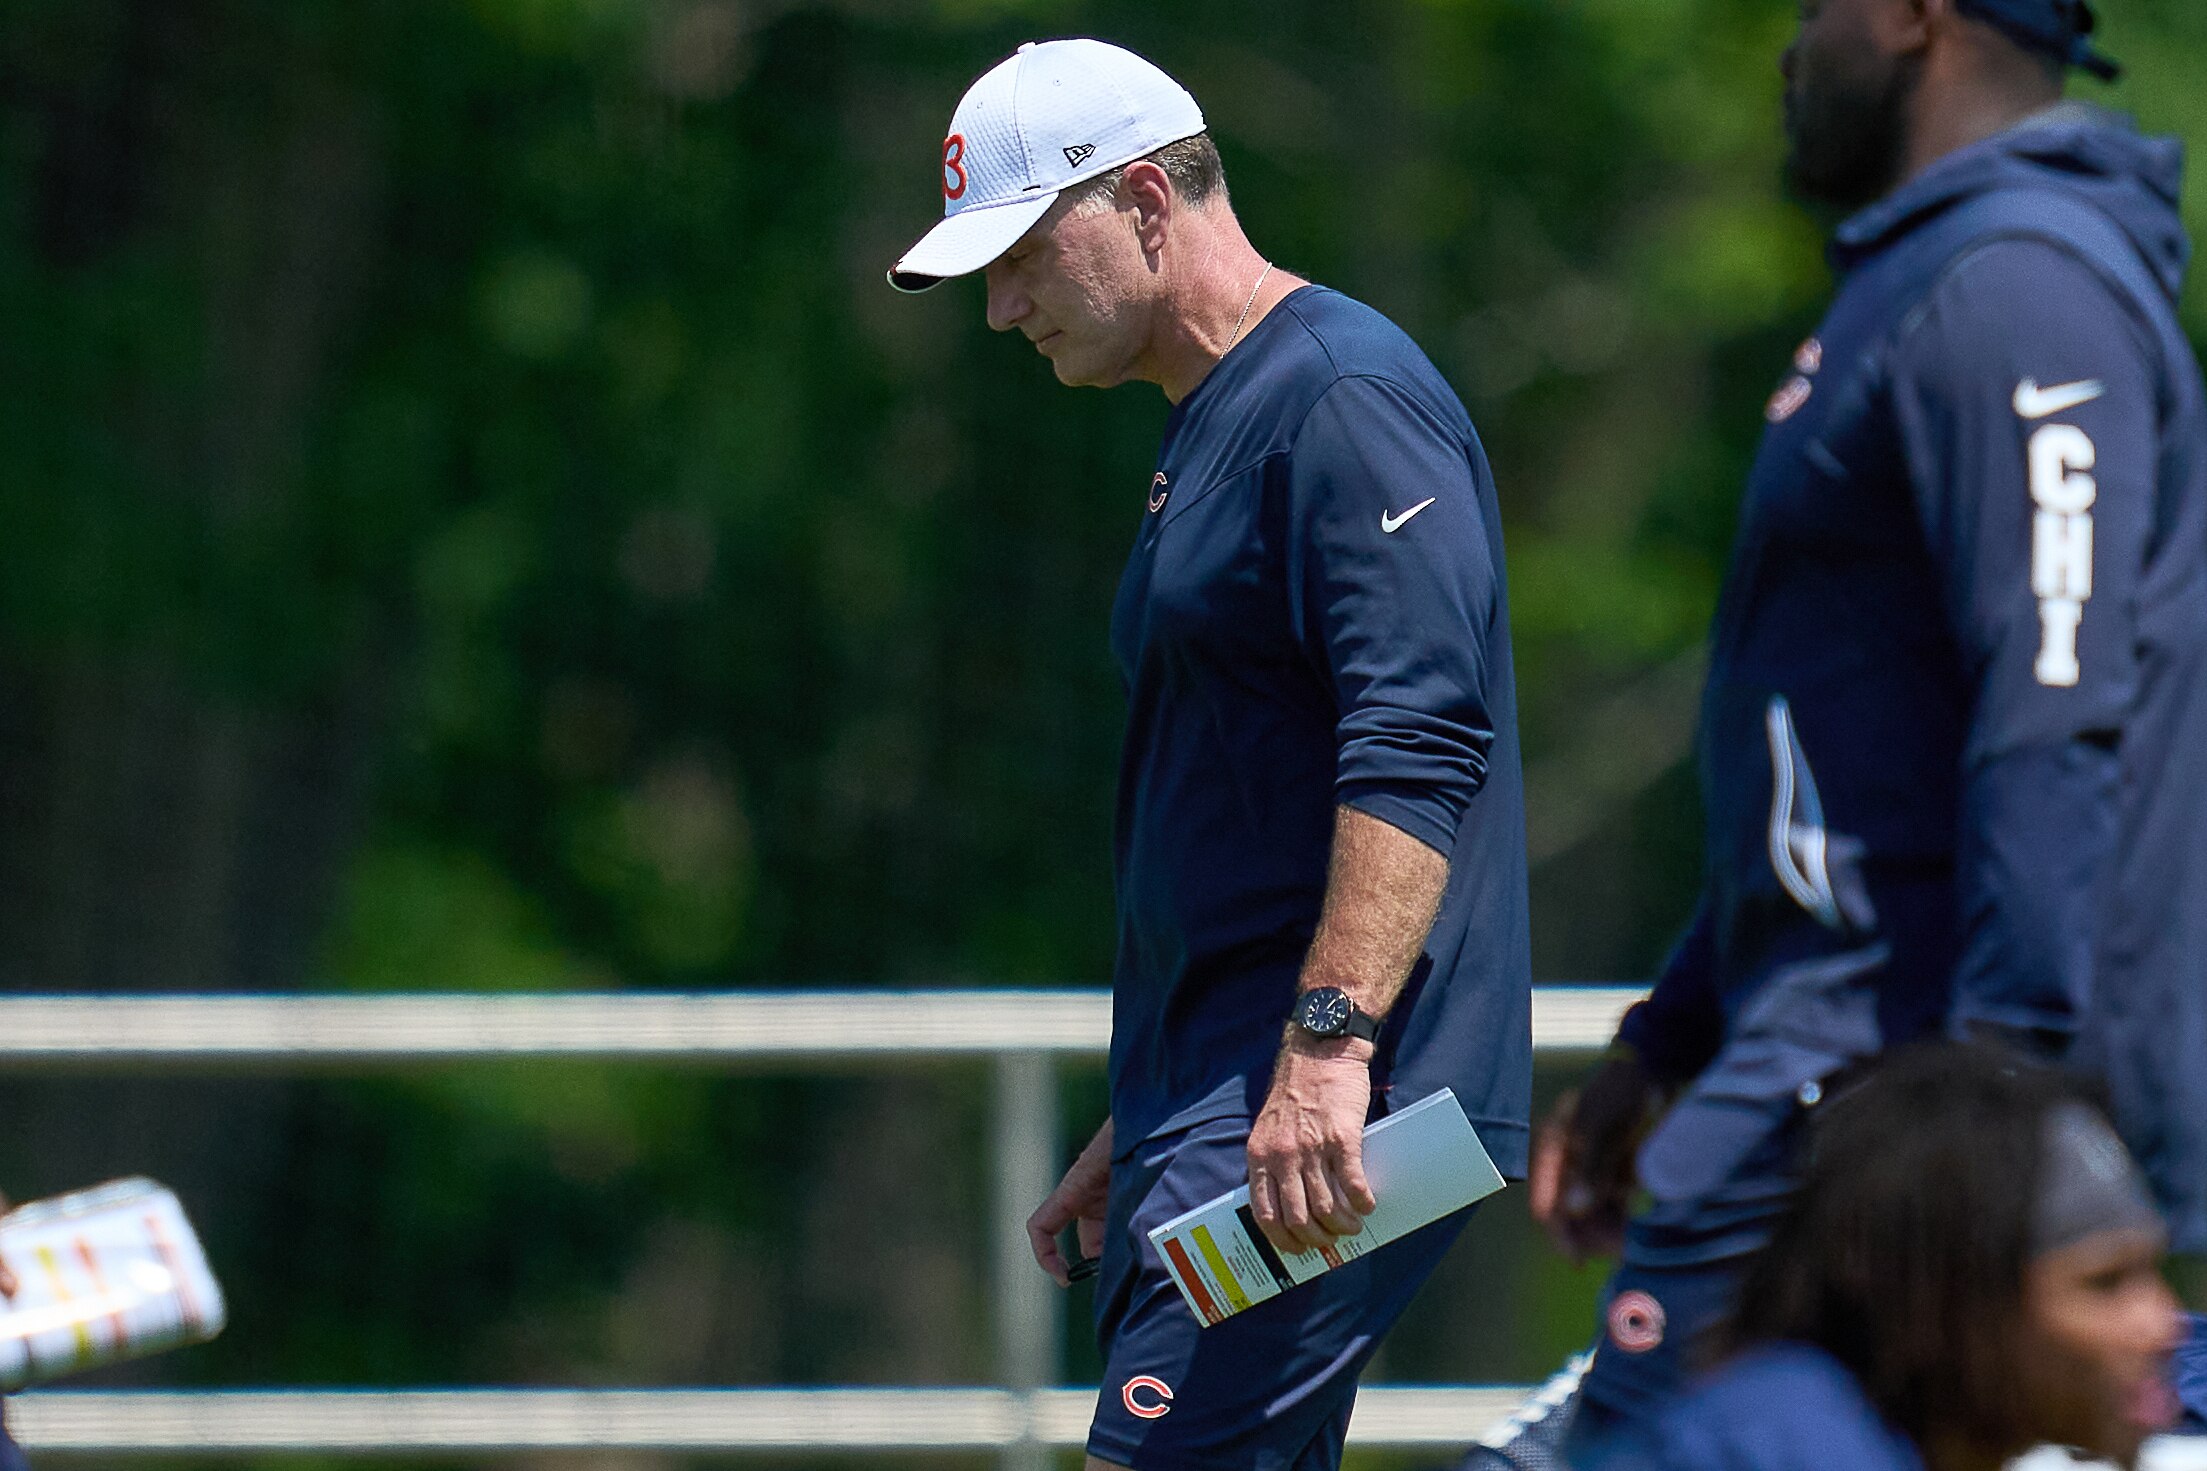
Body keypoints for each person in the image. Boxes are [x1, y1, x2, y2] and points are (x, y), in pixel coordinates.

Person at [1521, 0, 2207, 1457]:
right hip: (1835, 1101)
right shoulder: (1922, 281)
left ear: (1909, 15)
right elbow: (1833, 758)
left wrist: (1985, 1133)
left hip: (1877, 1131)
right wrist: (1672, 1034)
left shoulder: (2017, 286)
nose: (1784, 44)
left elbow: (2053, 705)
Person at [888, 38, 1531, 1471]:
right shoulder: (1218, 421)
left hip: (1336, 1113)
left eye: (1019, 258)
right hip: (1233, 1096)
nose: (1000, 309)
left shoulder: (1340, 399)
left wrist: (1321, 1050)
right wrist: (1154, 1098)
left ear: (1141, 202)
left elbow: (1415, 743)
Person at [1590, 1045, 2188, 1471]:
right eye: (2104, 1283)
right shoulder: (1779, 1450)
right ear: (1943, 1300)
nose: (2164, 1324)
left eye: (2152, 1273)